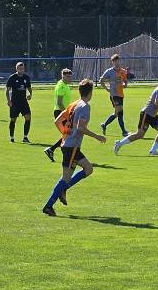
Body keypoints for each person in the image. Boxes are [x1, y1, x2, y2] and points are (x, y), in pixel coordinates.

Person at [42, 79, 106, 217]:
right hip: (72, 147)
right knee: (66, 177)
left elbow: (57, 121)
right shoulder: (85, 107)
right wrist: (97, 136)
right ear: (90, 92)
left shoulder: (74, 104)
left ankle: (63, 190)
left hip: (69, 145)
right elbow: (81, 128)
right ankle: (48, 205)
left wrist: (65, 133)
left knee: (88, 169)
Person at [112, 74, 158, 156]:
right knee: (139, 134)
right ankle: (119, 143)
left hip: (153, 115)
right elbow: (156, 103)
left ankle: (153, 151)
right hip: (147, 114)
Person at [44, 67, 74, 162]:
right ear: (63, 76)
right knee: (69, 134)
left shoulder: (65, 85)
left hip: (63, 112)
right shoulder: (61, 86)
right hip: (60, 112)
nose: (70, 78)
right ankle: (61, 152)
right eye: (68, 77)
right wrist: (67, 114)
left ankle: (52, 150)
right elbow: (59, 103)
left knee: (68, 134)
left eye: (70, 77)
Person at [98, 54, 132, 137]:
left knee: (116, 113)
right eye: (115, 61)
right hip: (114, 95)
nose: (117, 63)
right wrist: (107, 89)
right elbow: (101, 80)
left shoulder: (123, 71)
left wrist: (125, 84)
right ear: (112, 62)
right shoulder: (109, 71)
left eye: (118, 61)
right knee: (120, 111)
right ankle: (124, 132)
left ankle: (104, 125)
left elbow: (125, 81)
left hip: (120, 95)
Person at [6, 61, 34, 143]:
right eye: (20, 68)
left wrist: (30, 94)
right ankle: (12, 137)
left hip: (23, 102)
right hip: (14, 102)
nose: (21, 70)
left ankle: (25, 137)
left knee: (28, 118)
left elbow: (29, 88)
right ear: (17, 69)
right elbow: (7, 90)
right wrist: (8, 100)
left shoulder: (26, 77)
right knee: (13, 119)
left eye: (22, 68)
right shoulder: (12, 77)